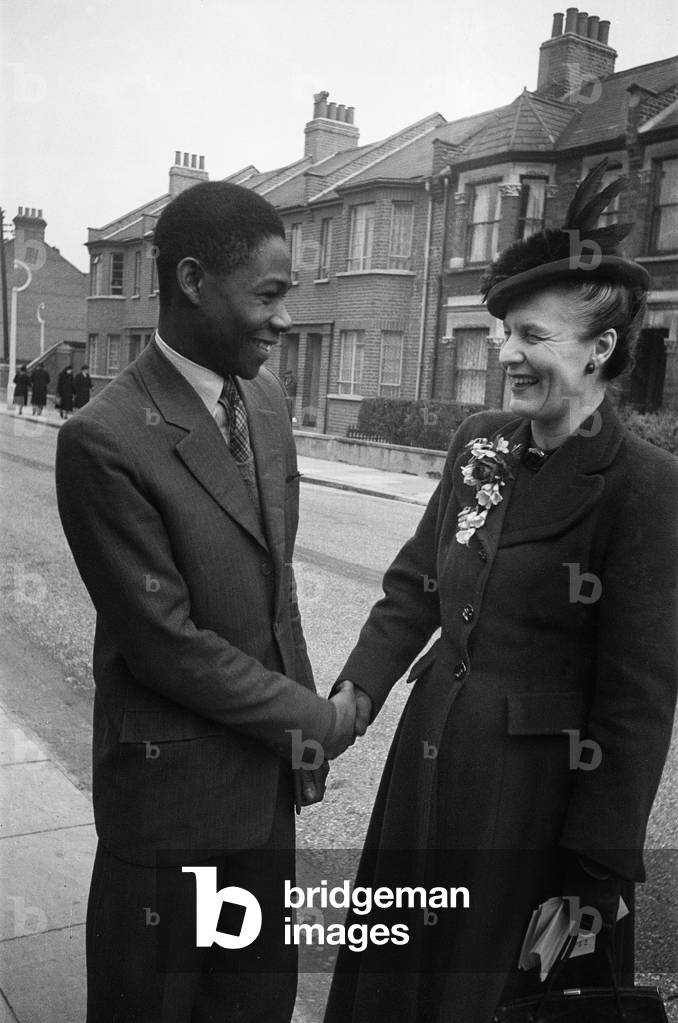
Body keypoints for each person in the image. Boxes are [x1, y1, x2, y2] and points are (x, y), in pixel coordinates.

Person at [323, 160, 678, 1023]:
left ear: (600, 348)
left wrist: (594, 873)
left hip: (530, 802)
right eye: (504, 333)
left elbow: (635, 701)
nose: (506, 353)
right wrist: (348, 701)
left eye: (532, 336)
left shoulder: (645, 485)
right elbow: (414, 586)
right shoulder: (481, 441)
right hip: (430, 763)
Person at [55, 181, 358, 1023]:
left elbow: (275, 592)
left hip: (263, 792)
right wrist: (315, 714)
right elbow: (165, 643)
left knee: (254, 1006)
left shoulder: (262, 399)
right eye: (267, 293)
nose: (285, 318)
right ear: (192, 279)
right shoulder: (104, 438)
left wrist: (298, 737)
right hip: (169, 810)